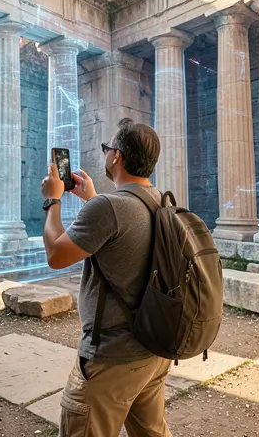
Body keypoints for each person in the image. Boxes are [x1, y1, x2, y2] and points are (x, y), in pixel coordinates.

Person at [40, 118, 173, 437]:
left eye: (107, 148)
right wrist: (92, 199)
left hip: (112, 358)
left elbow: (56, 256)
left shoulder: (108, 208)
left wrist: (52, 200)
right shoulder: (161, 201)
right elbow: (124, 239)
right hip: (154, 348)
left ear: (117, 157)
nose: (105, 154)